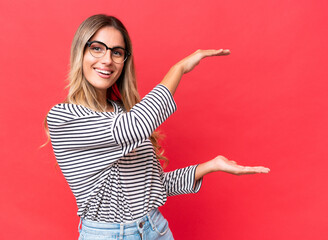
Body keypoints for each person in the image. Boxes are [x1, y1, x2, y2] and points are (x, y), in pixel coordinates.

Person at [45, 14, 270, 240]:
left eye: (116, 52)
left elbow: (150, 188)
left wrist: (209, 166)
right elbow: (133, 127)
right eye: (97, 48)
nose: (107, 60)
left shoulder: (122, 112)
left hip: (155, 229)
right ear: (80, 52)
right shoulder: (64, 117)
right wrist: (178, 69)